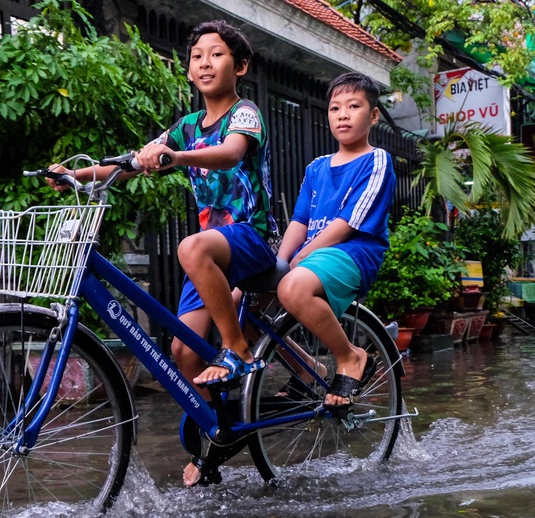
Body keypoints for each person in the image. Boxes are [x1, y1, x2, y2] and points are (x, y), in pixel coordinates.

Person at [49, 21, 278, 486]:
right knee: (183, 350)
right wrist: (80, 176)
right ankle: (220, 434)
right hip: (210, 254)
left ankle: (237, 349)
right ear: (190, 72)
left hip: (249, 238)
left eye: (216, 54)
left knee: (190, 247)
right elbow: (135, 162)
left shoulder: (245, 113)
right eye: (197, 57)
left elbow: (231, 154)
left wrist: (177, 157)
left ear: (241, 66)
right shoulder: (186, 126)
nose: (205, 63)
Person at [276, 72, 395, 407]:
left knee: (292, 287)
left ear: (373, 115)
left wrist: (300, 258)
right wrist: (281, 262)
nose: (342, 114)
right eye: (335, 108)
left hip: (352, 254)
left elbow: (348, 224)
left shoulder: (376, 160)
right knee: (243, 297)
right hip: (310, 258)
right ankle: (304, 367)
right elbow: (300, 220)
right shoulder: (316, 168)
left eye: (353, 106)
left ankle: (350, 356)